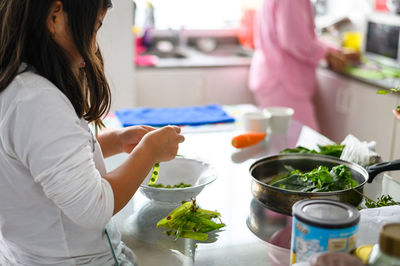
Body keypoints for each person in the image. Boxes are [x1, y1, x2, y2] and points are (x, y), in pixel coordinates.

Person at [0, 1, 185, 265]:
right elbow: (94, 206)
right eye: (95, 28)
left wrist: (116, 141)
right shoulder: (36, 101)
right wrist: (149, 151)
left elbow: (45, 162)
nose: (94, 45)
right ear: (55, 17)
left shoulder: (17, 85)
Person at [248, 0, 356, 131]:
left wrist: (335, 51)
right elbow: (293, 39)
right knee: (305, 146)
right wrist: (327, 54)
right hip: (283, 82)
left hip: (275, 77)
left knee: (284, 144)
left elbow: (304, 35)